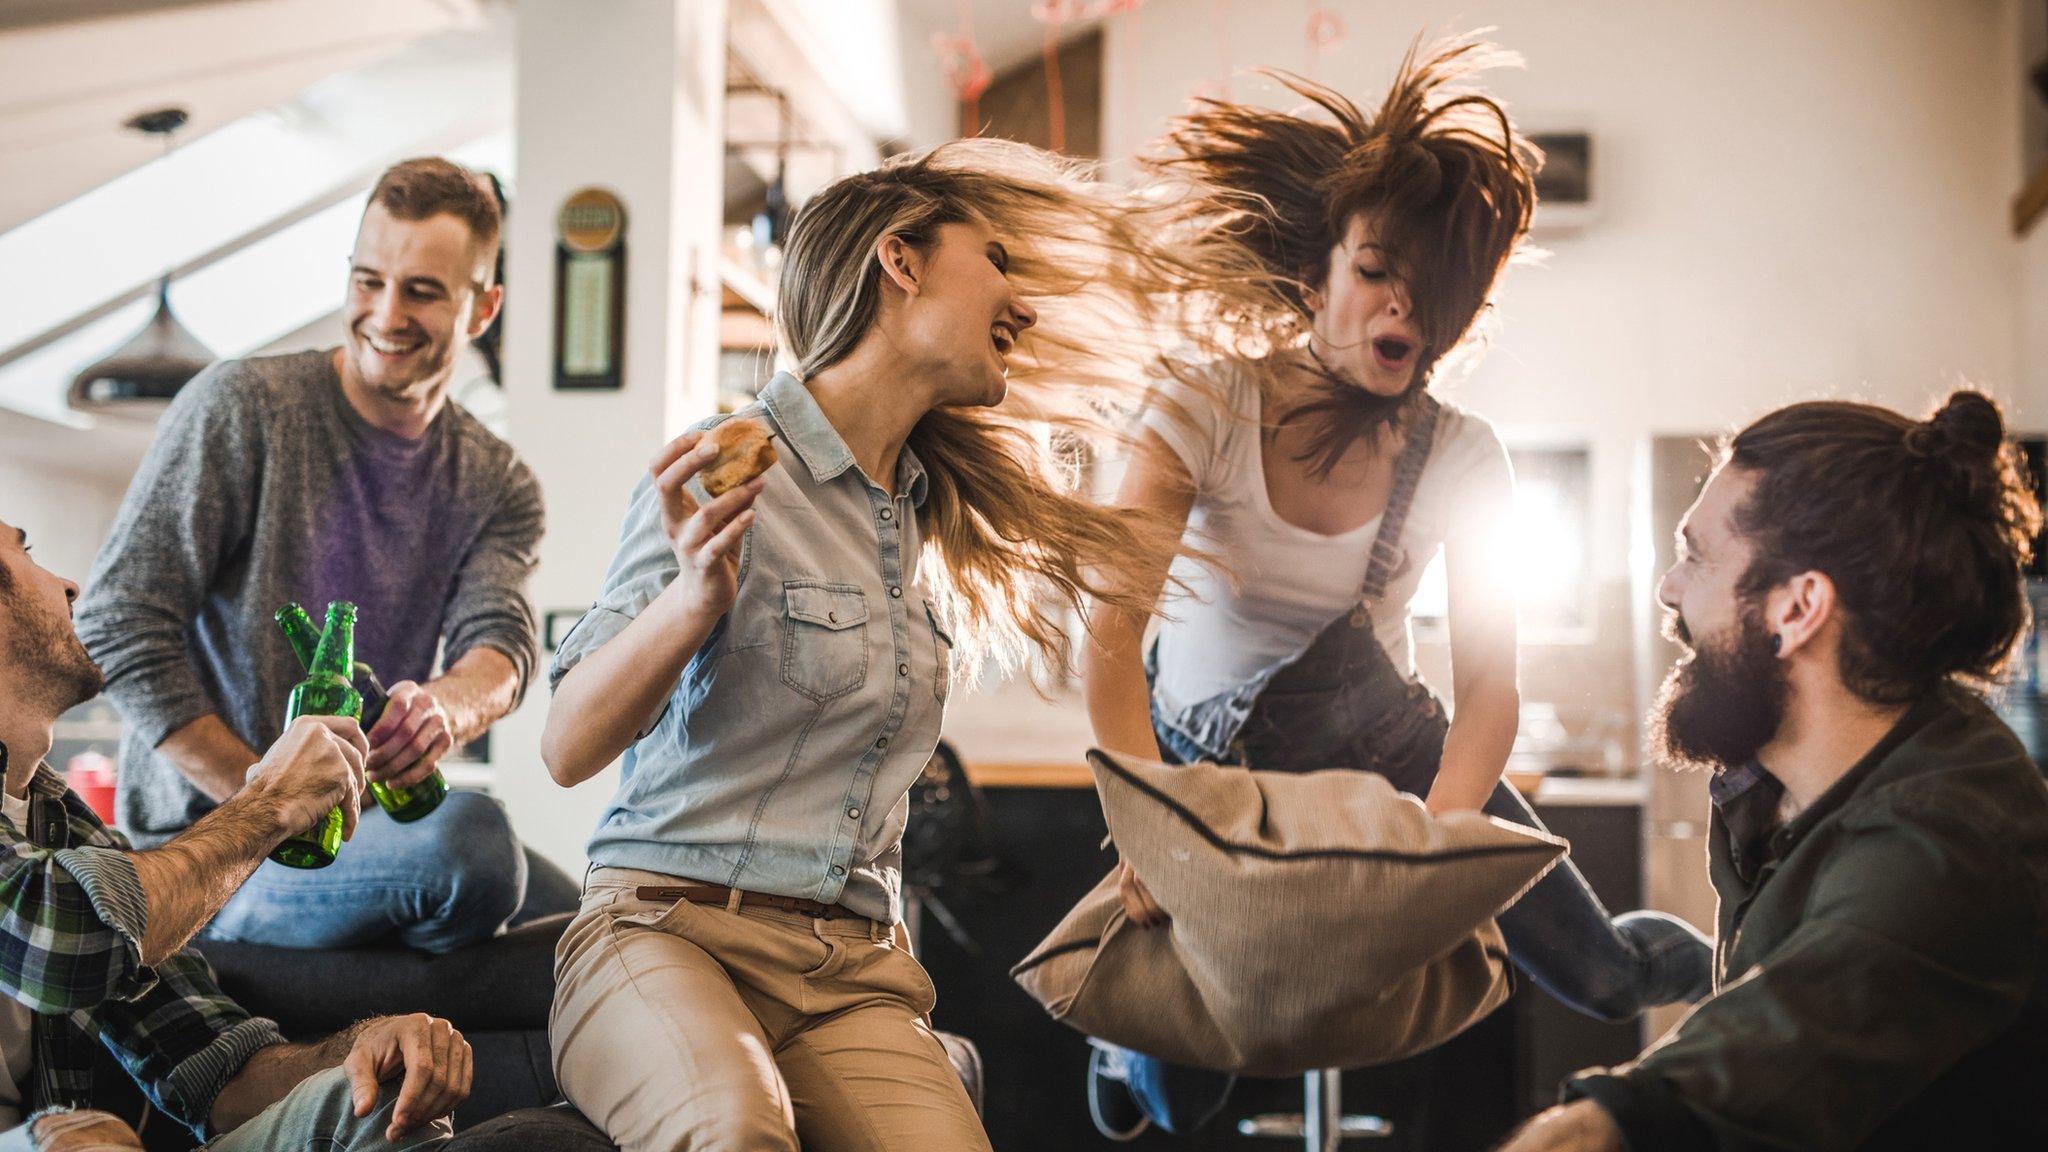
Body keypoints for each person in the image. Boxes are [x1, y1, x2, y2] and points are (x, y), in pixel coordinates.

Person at [540, 137, 1264, 1152]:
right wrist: (693, 599)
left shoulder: (925, 522)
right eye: (998, 260)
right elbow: (567, 746)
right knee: (733, 1131)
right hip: (665, 933)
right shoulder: (735, 464)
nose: (1024, 304)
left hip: (850, 973)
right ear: (900, 260)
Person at [1080, 36, 1713, 1138]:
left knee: (1604, 979)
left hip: (1389, 749)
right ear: (1317, 271)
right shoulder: (1200, 407)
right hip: (1200, 766)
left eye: (1434, 291)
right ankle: (1119, 1044)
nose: (1401, 312)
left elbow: (1487, 693)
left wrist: (1431, 850)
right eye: (1375, 273)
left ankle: (1758, 962)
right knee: (1183, 1096)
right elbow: (1108, 636)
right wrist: (1153, 833)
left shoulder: (1463, 454)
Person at [1499, 391, 2048, 1152]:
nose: (1669, 588)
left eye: (1695, 556)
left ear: (1797, 610)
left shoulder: (1951, 839)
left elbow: (1719, 1082)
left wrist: (1590, 1127)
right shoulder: (1783, 786)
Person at [75, 157, 578, 954]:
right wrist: (270, 798)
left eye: (422, 290)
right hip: (210, 843)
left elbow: (501, 648)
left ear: (482, 308)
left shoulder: (496, 480)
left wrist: (443, 708)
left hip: (364, 829)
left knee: (592, 921)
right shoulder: (242, 407)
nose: (386, 312)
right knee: (475, 846)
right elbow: (115, 622)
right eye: (368, 280)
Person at [0, 517, 471, 1151]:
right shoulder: (74, 890)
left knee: (376, 1103)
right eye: (26, 553)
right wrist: (269, 801)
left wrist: (362, 1049)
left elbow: (217, 1073)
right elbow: (66, 940)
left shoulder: (63, 826)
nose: (70, 585)